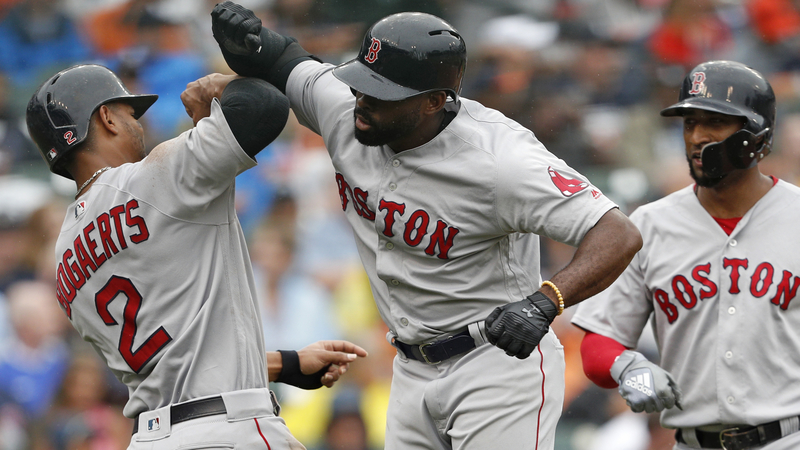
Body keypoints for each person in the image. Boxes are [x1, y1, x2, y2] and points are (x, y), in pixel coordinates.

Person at [208, 3, 643, 449]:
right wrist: (245, 43)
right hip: (409, 367)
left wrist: (546, 301)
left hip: (493, 366)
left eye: (382, 93)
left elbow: (618, 234)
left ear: (435, 100)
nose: (362, 101)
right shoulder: (347, 107)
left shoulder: (502, 161)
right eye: (360, 84)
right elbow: (284, 60)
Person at [25, 63, 367, 448]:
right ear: (106, 117)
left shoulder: (61, 257)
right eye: (129, 113)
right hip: (231, 430)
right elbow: (266, 105)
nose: (138, 124)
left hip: (153, 437)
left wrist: (285, 364)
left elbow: (173, 359)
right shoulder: (151, 179)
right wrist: (220, 87)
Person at [571, 60, 800, 450]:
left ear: (756, 134)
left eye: (714, 122)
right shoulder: (649, 224)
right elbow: (598, 345)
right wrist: (627, 367)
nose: (697, 137)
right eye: (690, 123)